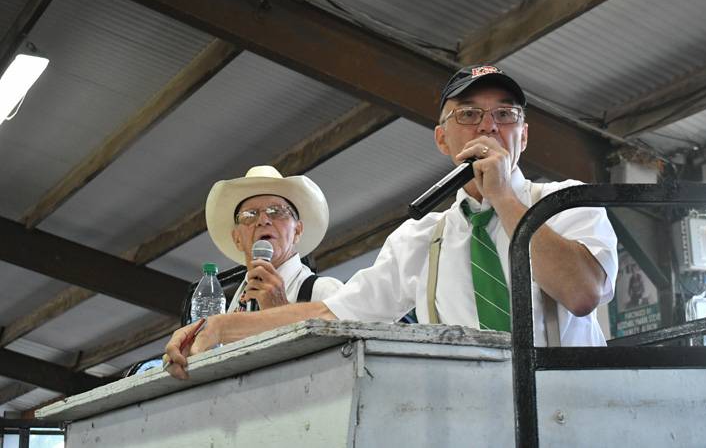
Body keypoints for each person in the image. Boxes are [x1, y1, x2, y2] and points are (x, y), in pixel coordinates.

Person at [165, 65, 618, 380]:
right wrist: (220, 328)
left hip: (569, 408)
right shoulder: (421, 238)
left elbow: (582, 293)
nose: (488, 126)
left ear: (523, 133)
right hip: (471, 418)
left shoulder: (564, 201)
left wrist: (502, 196)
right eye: (469, 115)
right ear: (443, 138)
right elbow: (330, 313)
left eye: (505, 114)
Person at [204, 165, 343, 310]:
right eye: (249, 215)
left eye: (276, 211)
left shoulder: (325, 292)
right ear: (237, 239)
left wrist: (279, 311)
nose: (263, 220)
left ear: (297, 231)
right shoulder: (233, 306)